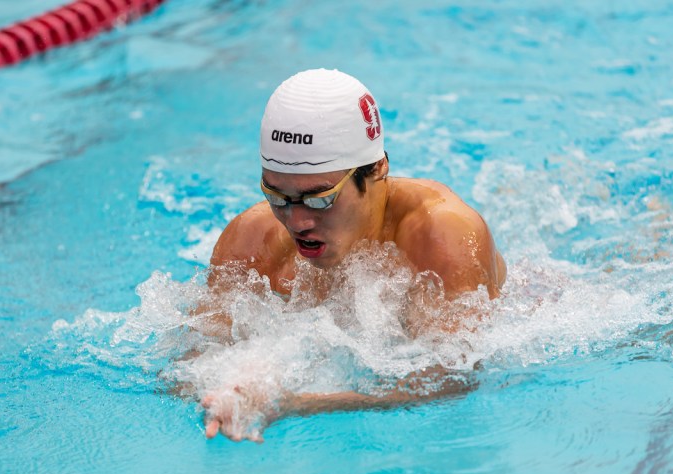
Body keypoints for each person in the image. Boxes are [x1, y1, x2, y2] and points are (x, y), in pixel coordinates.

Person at [200, 69, 506, 442]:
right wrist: (227, 388)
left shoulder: (442, 236)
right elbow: (188, 360)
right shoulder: (252, 241)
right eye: (277, 196)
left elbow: (453, 378)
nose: (296, 221)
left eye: (320, 199)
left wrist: (296, 403)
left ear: (377, 169)